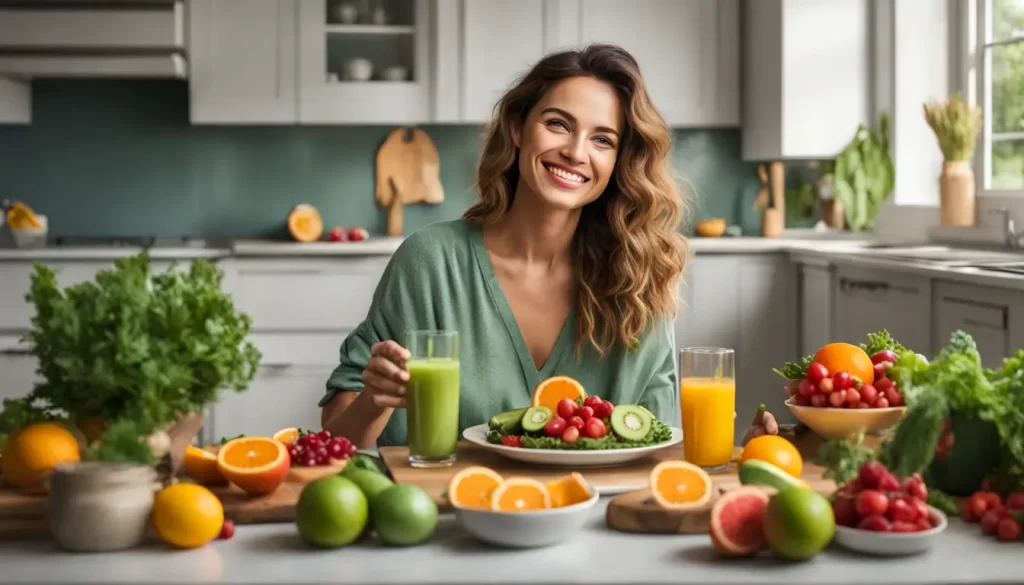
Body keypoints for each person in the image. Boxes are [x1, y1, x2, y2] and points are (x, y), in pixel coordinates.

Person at [320, 44, 777, 449]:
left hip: (596, 529)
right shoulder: (431, 263)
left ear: (618, 162)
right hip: (450, 526)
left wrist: (741, 455)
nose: (576, 152)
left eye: (602, 139)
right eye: (558, 124)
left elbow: (660, 451)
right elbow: (335, 440)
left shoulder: (638, 279)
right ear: (518, 129)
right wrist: (374, 401)